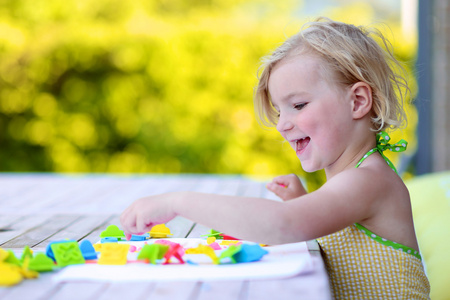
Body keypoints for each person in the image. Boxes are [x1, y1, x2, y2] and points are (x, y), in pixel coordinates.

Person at [120, 17, 430, 299]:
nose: (282, 124)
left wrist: (178, 202)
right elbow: (324, 230)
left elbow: (285, 226)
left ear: (358, 101)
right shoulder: (353, 178)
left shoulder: (368, 180)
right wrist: (301, 201)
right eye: (279, 111)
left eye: (298, 105)